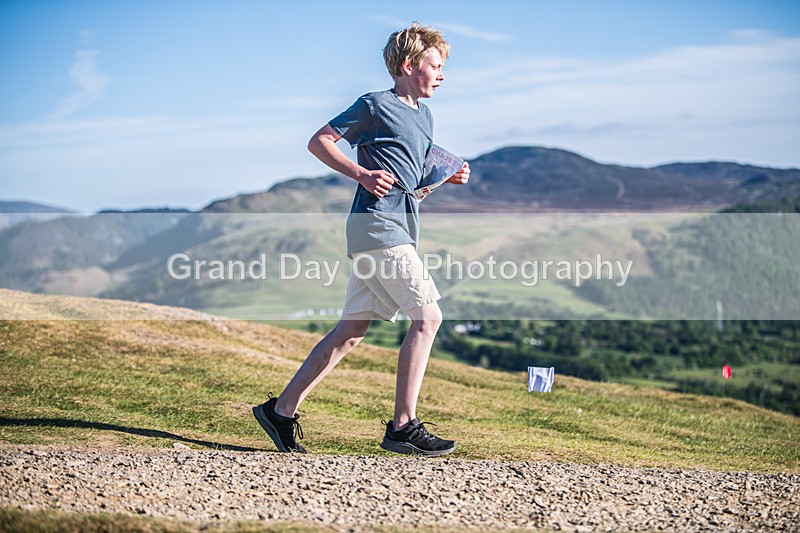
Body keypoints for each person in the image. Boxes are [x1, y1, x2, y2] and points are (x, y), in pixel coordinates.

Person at [253, 22, 470, 456]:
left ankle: (280, 410)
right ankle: (402, 426)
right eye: (436, 65)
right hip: (376, 226)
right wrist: (361, 173)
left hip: (398, 224)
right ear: (409, 65)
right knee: (428, 319)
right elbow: (320, 141)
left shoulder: (425, 115)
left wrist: (447, 175)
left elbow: (414, 178)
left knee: (351, 330)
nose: (442, 74)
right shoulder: (374, 105)